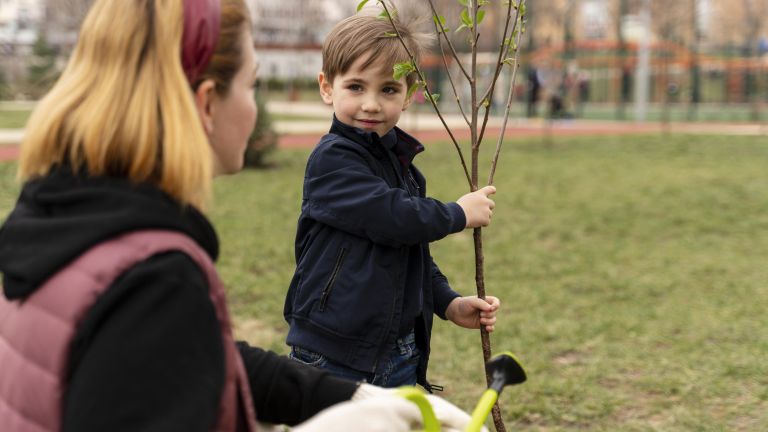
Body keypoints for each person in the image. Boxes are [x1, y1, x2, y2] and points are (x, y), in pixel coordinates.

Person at [0, 0, 478, 431]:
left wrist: (356, 399)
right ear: (208, 103)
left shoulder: (66, 218)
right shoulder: (154, 280)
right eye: (253, 85)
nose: (256, 108)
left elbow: (195, 356)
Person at [284, 1, 501, 390]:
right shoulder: (333, 160)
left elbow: (410, 249)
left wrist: (448, 302)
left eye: (388, 89)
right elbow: (392, 217)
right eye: (355, 86)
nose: (371, 103)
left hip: (397, 352)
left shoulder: (401, 166)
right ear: (327, 87)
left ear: (409, 94)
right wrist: (456, 213)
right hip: (335, 351)